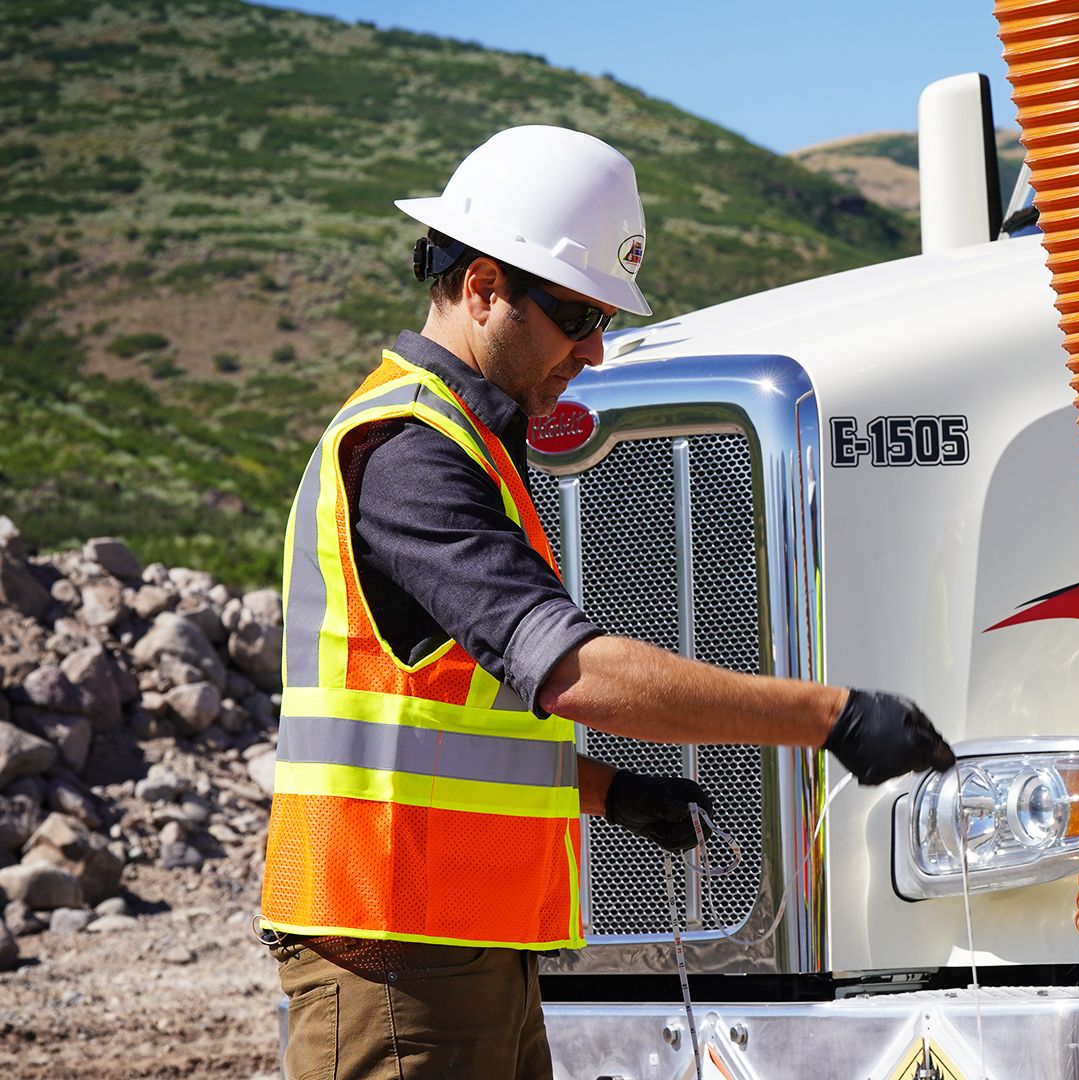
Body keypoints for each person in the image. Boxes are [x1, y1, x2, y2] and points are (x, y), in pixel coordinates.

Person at [256, 125, 956, 1080]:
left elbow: (450, 726)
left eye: (605, 322)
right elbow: (571, 668)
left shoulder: (469, 444)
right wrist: (830, 717)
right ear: (484, 287)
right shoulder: (408, 453)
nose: (593, 353)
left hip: (457, 950)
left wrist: (611, 792)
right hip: (393, 955)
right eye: (577, 315)